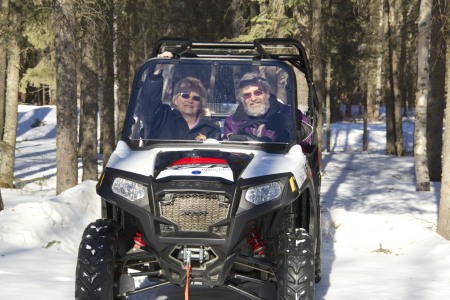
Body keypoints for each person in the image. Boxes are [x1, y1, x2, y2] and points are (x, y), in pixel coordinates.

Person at [136, 52, 221, 141]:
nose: (190, 101)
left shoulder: (211, 130)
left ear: (201, 104)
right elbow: (148, 102)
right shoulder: (161, 119)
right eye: (185, 96)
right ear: (175, 99)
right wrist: (157, 70)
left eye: (196, 98)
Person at [223, 72, 312, 143]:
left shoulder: (288, 113)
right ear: (242, 99)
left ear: (267, 93)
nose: (253, 98)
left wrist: (289, 126)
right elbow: (227, 149)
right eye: (247, 95)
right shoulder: (232, 123)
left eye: (258, 92)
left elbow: (308, 136)